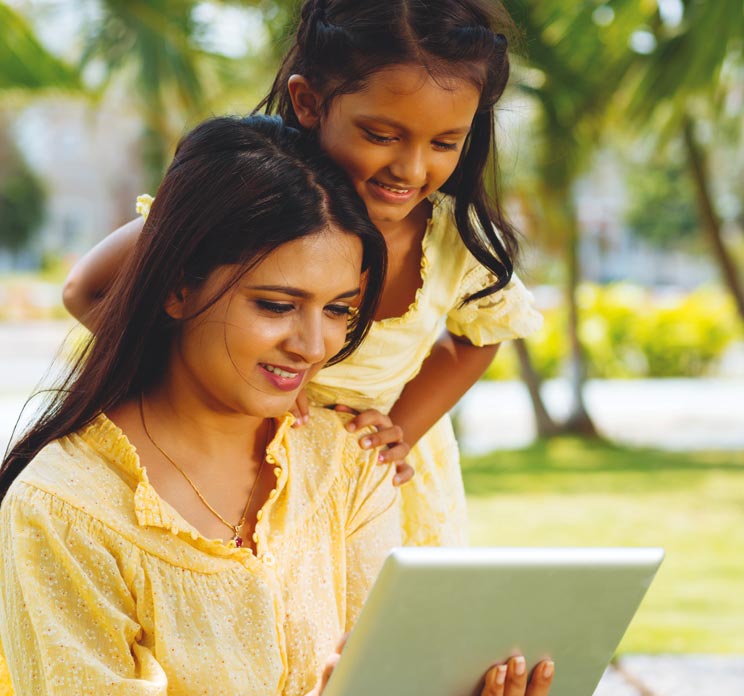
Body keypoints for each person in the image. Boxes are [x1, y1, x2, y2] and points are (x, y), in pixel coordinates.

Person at [0, 116, 554, 696]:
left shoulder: (350, 465)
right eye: (276, 305)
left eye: (339, 310)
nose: (313, 347)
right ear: (177, 286)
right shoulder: (65, 509)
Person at [61, 0, 544, 547]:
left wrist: (403, 429)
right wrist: (235, 374)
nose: (411, 169)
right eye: (382, 135)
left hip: (378, 481)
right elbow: (88, 288)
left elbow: (481, 335)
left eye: (443, 143)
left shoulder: (455, 243)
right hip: (250, 468)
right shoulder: (249, 203)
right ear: (309, 102)